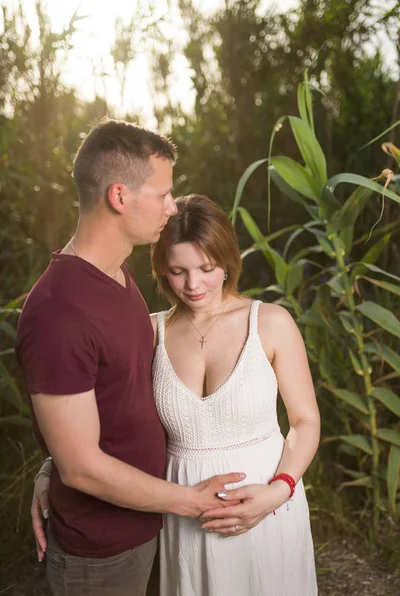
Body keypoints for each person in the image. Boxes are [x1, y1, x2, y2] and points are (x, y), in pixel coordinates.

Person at [32, 193, 320, 595]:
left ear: (228, 261)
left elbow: (305, 421)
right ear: (161, 270)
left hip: (268, 501)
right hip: (182, 511)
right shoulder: (150, 332)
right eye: (177, 271)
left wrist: (279, 489)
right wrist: (51, 467)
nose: (193, 284)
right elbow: (98, 413)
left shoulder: (271, 323)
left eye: (206, 268)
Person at [17, 122, 245, 596]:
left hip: (147, 526)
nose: (173, 206)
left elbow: (114, 394)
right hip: (100, 554)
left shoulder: (116, 274)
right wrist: (189, 502)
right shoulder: (60, 310)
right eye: (163, 194)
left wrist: (48, 464)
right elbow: (80, 467)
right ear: (120, 196)